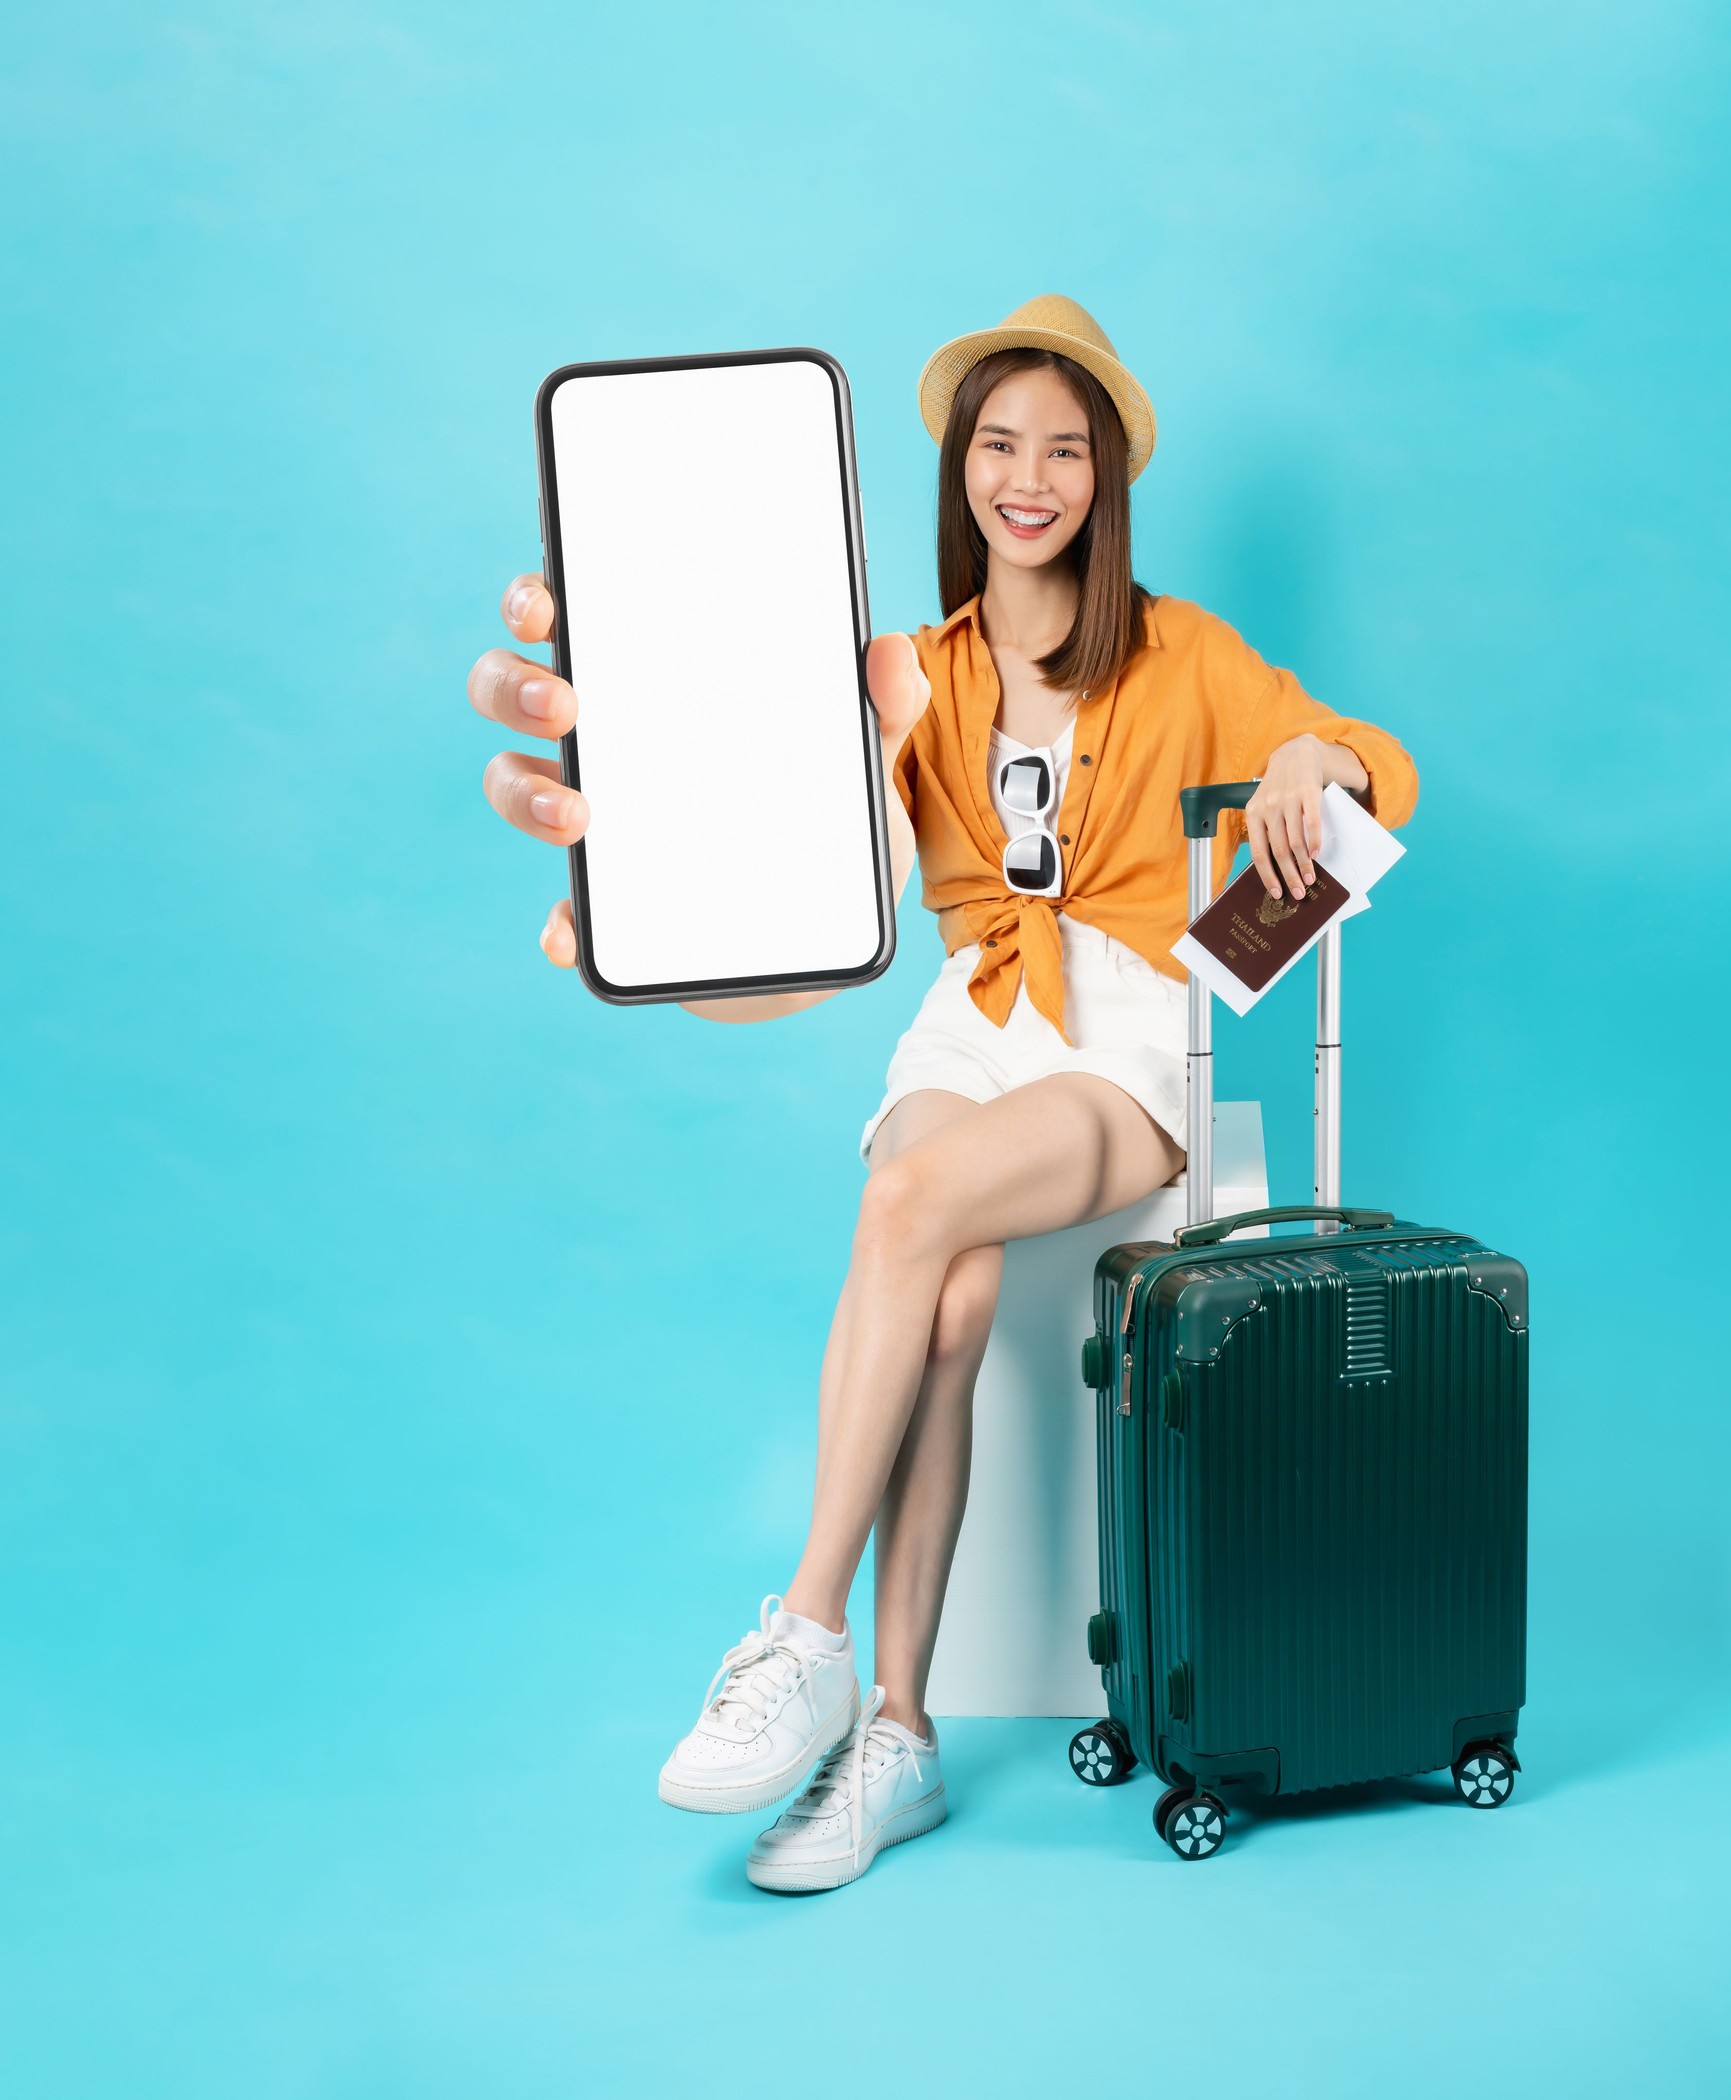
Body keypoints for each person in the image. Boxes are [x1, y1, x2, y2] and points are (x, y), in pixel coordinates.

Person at [465, 295, 1419, 1892]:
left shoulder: (1183, 653)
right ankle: (896, 1744)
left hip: (1125, 1041)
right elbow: (828, 921)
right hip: (966, 1018)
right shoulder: (918, 673)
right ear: (957, 469)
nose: (1026, 476)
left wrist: (1317, 766)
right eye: (997, 442)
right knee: (953, 1294)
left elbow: (1373, 758)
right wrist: (654, 941)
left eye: (1062, 446)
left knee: (905, 1204)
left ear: (1105, 477)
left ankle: (808, 1629)